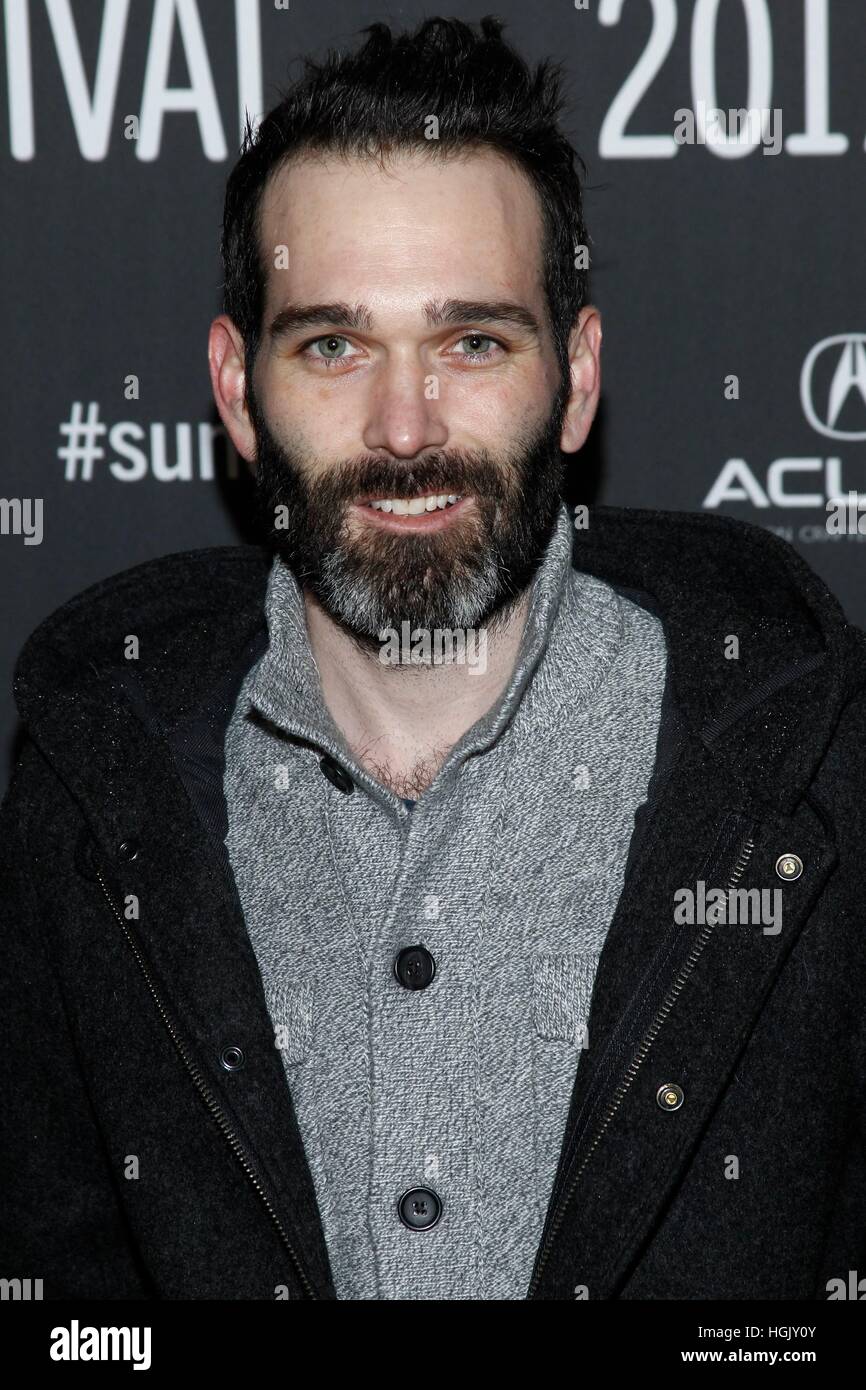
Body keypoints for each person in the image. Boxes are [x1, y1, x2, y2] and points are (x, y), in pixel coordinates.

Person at [2, 14, 865, 1302]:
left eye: (474, 342)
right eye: (334, 345)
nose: (405, 427)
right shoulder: (89, 789)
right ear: (238, 394)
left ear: (575, 378)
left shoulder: (815, 777)